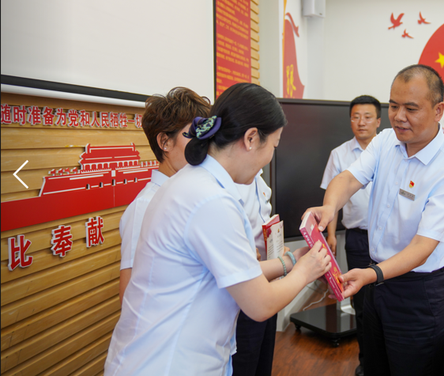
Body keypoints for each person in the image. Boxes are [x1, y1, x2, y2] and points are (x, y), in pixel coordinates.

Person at [105, 83, 331, 375]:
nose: (270, 158)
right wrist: (306, 271)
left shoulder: (194, 183)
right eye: (273, 147)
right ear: (251, 138)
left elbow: (230, 272)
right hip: (168, 361)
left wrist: (292, 260)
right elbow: (260, 304)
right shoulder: (209, 199)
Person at [307, 64, 444, 376]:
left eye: (411, 108)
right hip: (377, 281)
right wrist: (330, 207)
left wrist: (372, 275)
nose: (398, 116)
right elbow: (348, 178)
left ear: (438, 110)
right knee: (374, 365)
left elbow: (422, 247)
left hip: (418, 291)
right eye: (393, 106)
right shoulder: (386, 141)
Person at [118, 87, 210, 303]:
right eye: (194, 135)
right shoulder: (144, 206)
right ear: (165, 142)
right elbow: (130, 296)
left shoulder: (193, 194)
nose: (203, 146)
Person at [320, 95, 381, 376]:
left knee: (387, 301)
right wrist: (331, 234)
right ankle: (366, 363)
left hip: (390, 240)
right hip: (357, 237)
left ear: (378, 121)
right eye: (356, 117)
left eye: (367, 117)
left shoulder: (392, 151)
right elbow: (332, 198)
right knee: (363, 303)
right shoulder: (340, 154)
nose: (361, 122)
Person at [232, 170, 278, 376]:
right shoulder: (230, 181)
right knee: (245, 359)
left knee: (263, 358)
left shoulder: (258, 177)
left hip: (268, 278)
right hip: (245, 287)